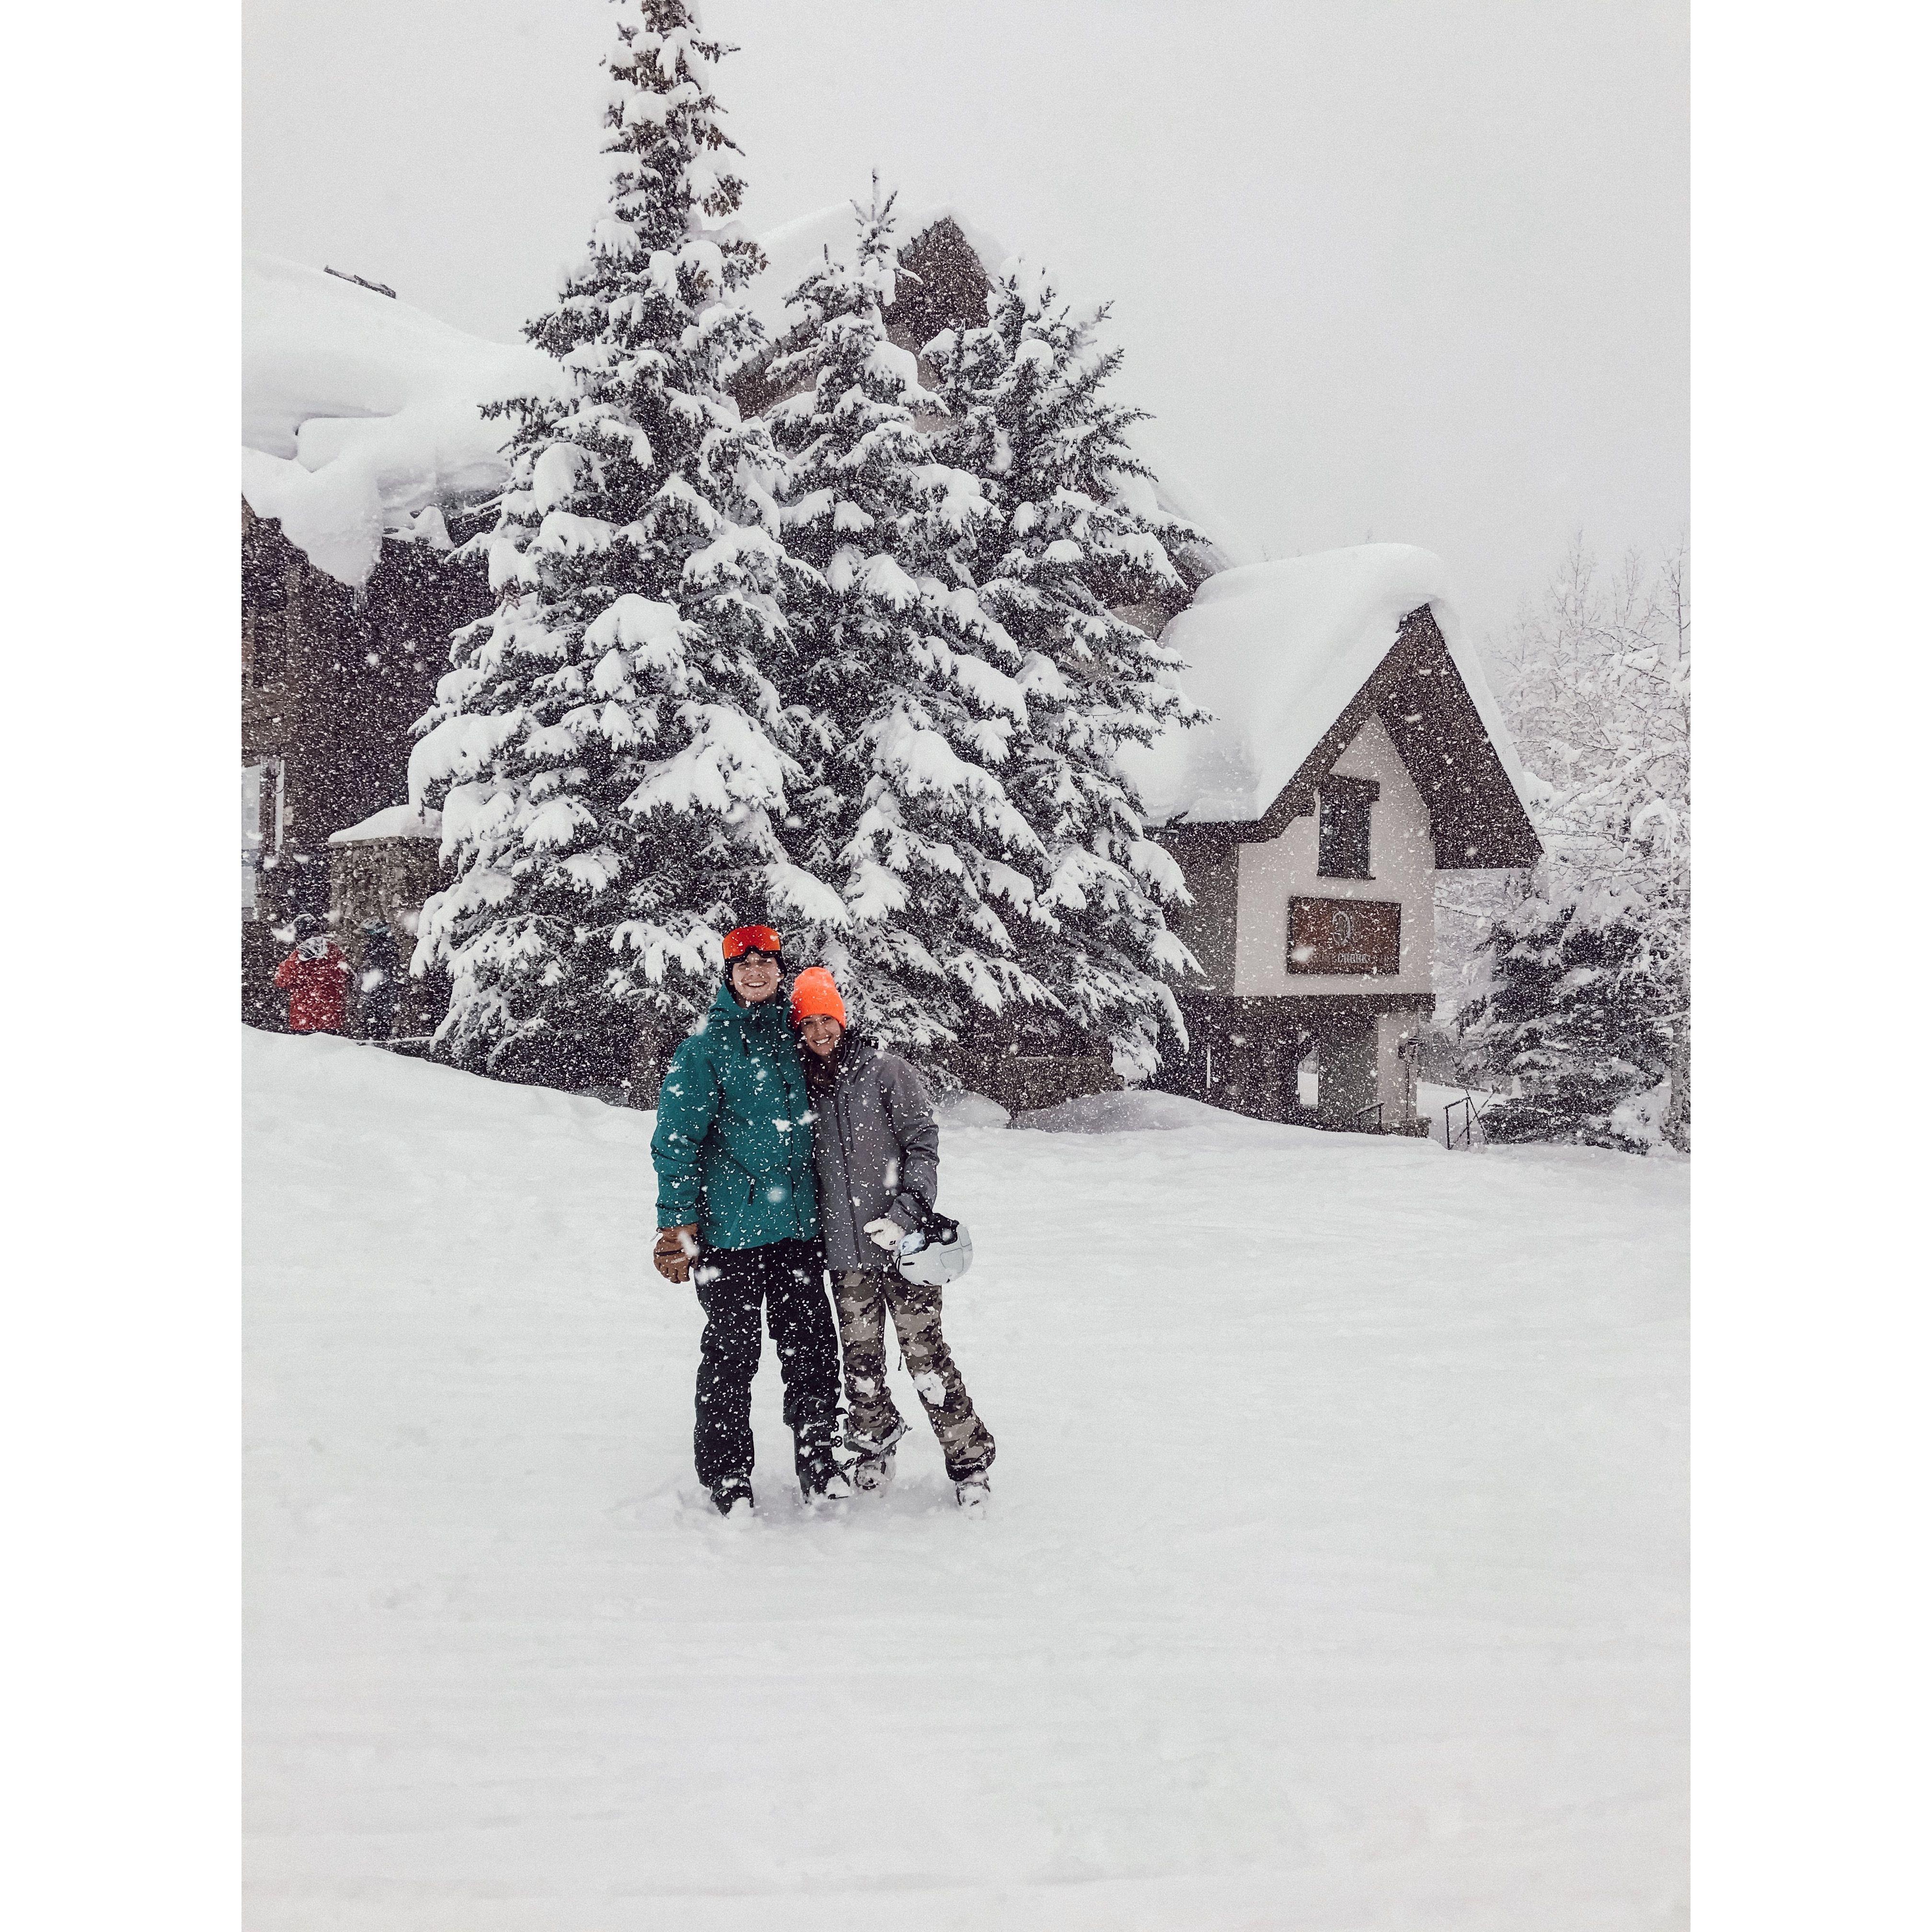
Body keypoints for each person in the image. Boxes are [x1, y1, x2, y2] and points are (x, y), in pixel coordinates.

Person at [649, 926, 850, 1516]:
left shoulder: (798, 1035)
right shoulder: (705, 1049)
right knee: (731, 1356)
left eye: (766, 962)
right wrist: (676, 1226)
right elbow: (676, 1140)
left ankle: (819, 1459)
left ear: (781, 970)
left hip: (797, 1231)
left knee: (812, 1349)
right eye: (745, 964)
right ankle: (728, 1475)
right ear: (729, 975)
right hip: (729, 1236)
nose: (756, 972)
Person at [790, 966, 995, 1510]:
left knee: (926, 1359)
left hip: (905, 1249)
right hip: (846, 1254)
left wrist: (905, 1216)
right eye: (808, 1023)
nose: (820, 1032)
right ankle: (874, 1448)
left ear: (843, 1019)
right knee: (860, 1362)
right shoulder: (802, 1086)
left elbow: (923, 1146)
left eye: (827, 1019)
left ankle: (970, 1464)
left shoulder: (885, 1071)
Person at [272, 913, 352, 1035]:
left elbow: (282, 979)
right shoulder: (334, 951)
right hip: (332, 1018)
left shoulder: (299, 955)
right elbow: (346, 975)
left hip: (305, 1018)